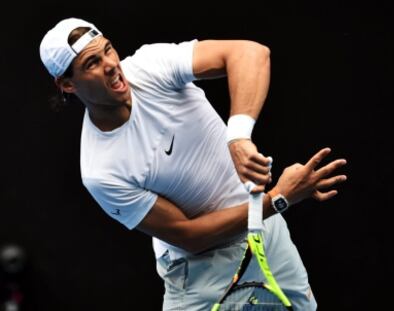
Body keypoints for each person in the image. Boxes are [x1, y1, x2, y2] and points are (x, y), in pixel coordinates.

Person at [39, 17, 347, 311]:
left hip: (266, 230)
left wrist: (238, 137)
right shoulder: (100, 171)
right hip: (201, 272)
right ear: (67, 84)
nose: (110, 65)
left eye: (108, 49)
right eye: (91, 64)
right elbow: (189, 234)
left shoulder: (149, 65)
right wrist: (279, 199)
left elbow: (250, 53)